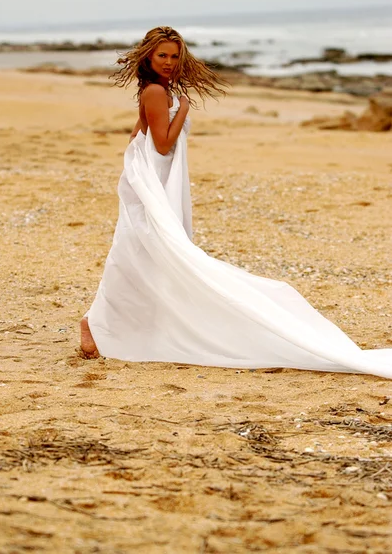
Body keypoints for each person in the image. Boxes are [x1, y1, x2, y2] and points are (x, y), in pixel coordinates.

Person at [80, 26, 391, 379]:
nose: (169, 62)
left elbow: (139, 133)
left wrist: (144, 156)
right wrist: (182, 110)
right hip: (152, 181)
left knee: (144, 250)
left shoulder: (157, 90)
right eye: (162, 55)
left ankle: (104, 323)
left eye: (174, 56)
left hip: (155, 179)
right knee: (143, 248)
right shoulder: (156, 92)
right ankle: (95, 323)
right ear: (149, 56)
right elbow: (162, 143)